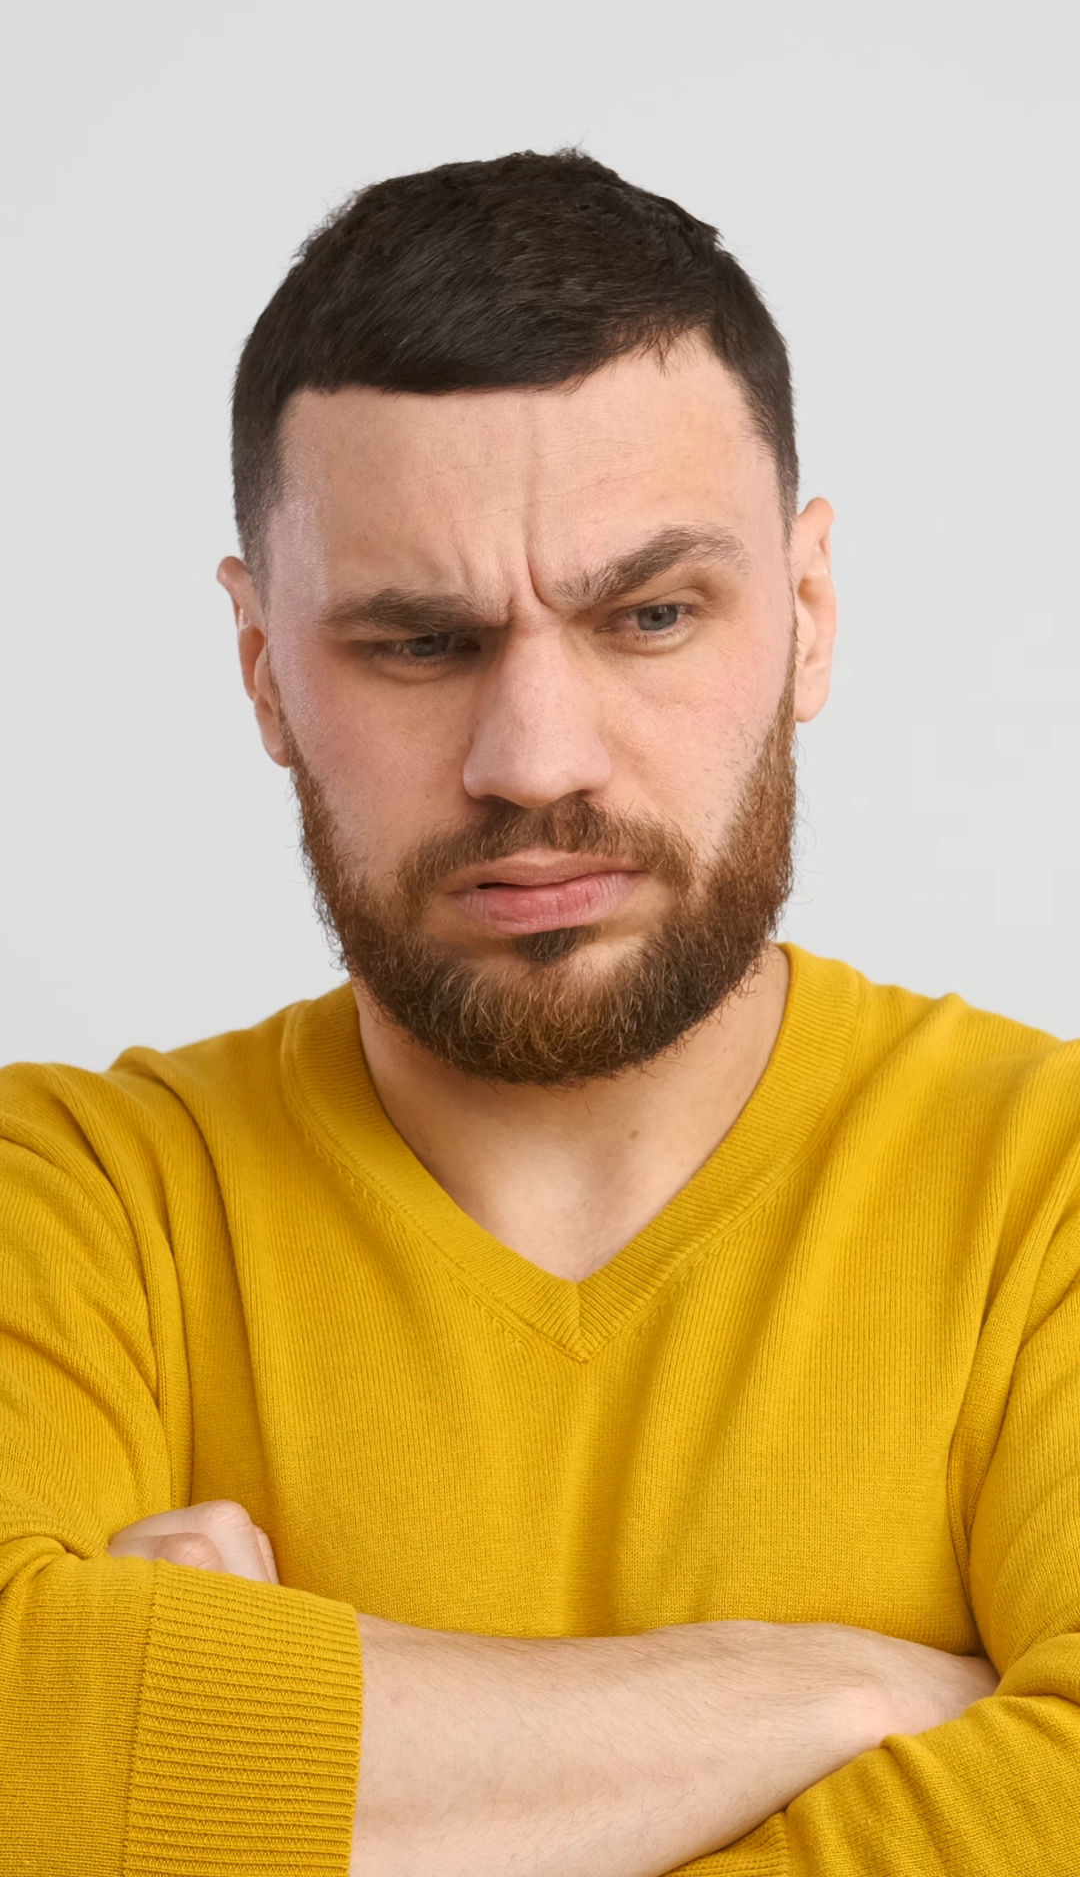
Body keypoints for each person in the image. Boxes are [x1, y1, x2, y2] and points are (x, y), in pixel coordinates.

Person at [1, 147, 1076, 1877]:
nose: (535, 762)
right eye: (420, 645)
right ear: (265, 668)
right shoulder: (73, 1204)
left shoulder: (1049, 1190)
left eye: (650, 615)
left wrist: (219, 1770)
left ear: (807, 618)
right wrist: (826, 1695)